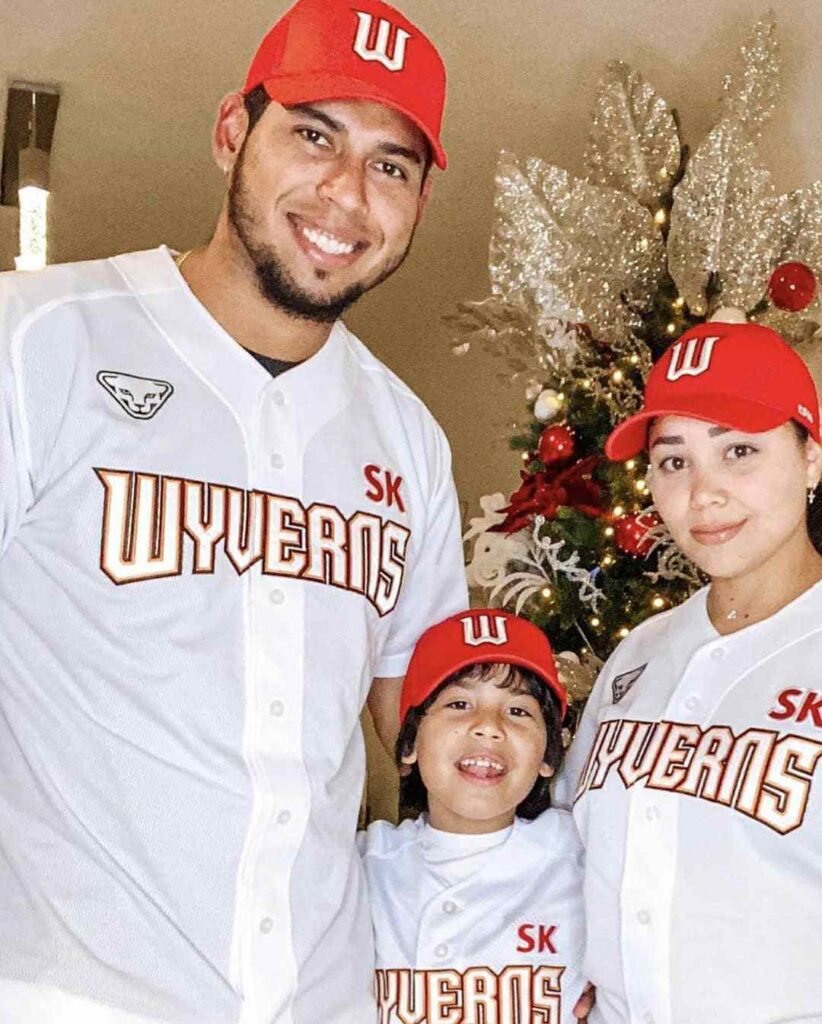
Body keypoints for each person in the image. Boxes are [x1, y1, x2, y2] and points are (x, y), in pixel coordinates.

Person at [0, 1, 467, 1021]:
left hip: (325, 1000)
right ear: (229, 134)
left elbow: (436, 744)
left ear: (421, 199)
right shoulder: (35, 342)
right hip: (69, 994)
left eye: (392, 165)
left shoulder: (407, 440)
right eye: (314, 134)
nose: (347, 194)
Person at [556, 321, 822, 1023]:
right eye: (674, 461)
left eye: (739, 451)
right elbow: (568, 852)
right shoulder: (639, 653)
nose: (703, 494)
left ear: (811, 459)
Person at [359, 608, 588, 1024]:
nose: (488, 727)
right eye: (459, 703)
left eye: (518, 711)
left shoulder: (583, 861)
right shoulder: (361, 867)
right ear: (409, 744)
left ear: (548, 757)